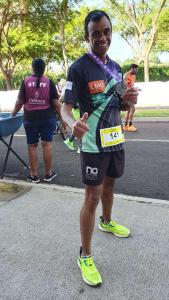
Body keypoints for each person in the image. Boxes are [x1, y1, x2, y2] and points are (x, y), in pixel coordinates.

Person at [61, 10, 138, 286]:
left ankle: (107, 221)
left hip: (115, 138)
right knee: (91, 196)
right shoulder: (78, 68)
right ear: (87, 37)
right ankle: (85, 255)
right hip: (93, 142)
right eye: (96, 33)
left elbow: (121, 105)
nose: (102, 37)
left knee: (110, 185)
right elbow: (65, 108)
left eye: (106, 31)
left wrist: (130, 101)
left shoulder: (116, 68)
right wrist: (71, 125)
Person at [12, 58, 61, 183]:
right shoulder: (49, 81)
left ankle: (33, 175)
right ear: (44, 69)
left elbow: (19, 102)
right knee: (47, 144)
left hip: (30, 118)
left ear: (32, 68)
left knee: (32, 146)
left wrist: (13, 114)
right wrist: (62, 118)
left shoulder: (26, 81)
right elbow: (56, 103)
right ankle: (48, 174)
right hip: (47, 118)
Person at [123, 64, 139, 132]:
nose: (137, 71)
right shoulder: (126, 75)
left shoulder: (133, 76)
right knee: (133, 108)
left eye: (137, 69)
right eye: (136, 69)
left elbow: (131, 85)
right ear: (132, 68)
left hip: (131, 94)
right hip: (126, 94)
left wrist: (136, 88)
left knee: (129, 110)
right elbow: (125, 86)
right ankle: (130, 125)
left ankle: (125, 125)